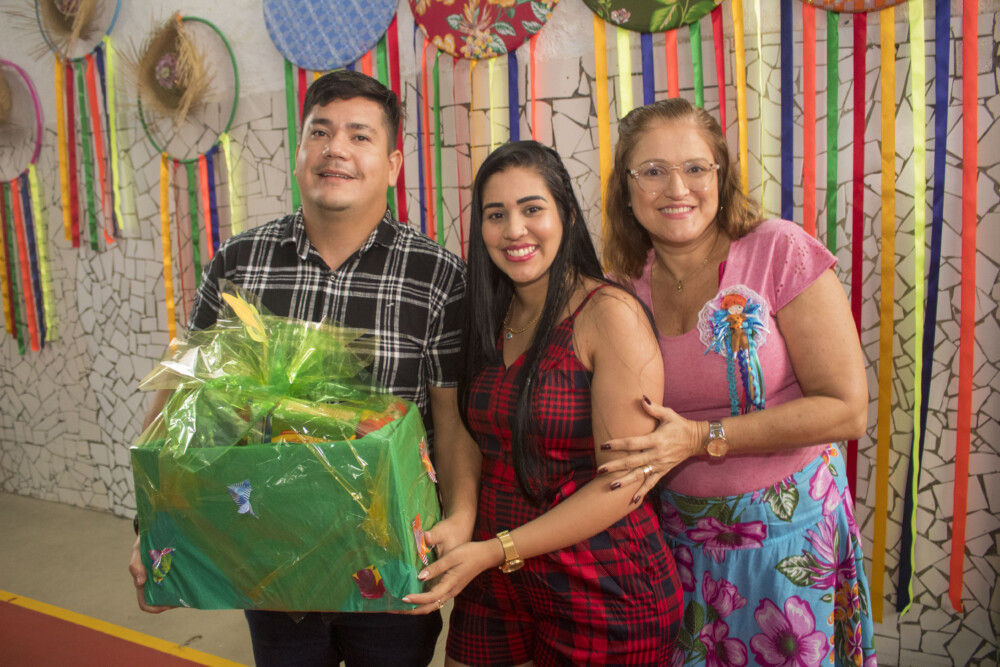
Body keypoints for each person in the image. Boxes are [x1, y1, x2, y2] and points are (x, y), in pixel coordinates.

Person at [128, 69, 481, 667]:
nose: (336, 148)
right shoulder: (240, 263)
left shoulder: (437, 275)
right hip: (270, 553)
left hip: (392, 557)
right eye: (320, 132)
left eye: (360, 136)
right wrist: (151, 527)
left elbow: (450, 423)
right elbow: (181, 398)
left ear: (393, 165)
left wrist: (462, 518)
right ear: (299, 153)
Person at [599, 98, 877, 666]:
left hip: (790, 545)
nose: (677, 188)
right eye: (652, 171)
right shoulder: (620, 286)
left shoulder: (779, 250)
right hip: (676, 550)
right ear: (625, 189)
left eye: (695, 168)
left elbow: (847, 410)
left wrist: (700, 438)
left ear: (721, 176)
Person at [402, 141, 683, 665]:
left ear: (567, 216)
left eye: (532, 209)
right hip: (494, 581)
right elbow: (465, 433)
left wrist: (497, 548)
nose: (514, 230)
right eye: (496, 215)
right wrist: (462, 518)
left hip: (602, 584)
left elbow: (624, 483)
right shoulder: (485, 313)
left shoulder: (609, 314)